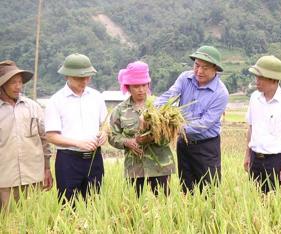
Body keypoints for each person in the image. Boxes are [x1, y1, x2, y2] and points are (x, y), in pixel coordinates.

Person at [155, 45, 229, 194]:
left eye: (205, 68)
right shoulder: (185, 78)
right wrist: (154, 111)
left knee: (209, 190)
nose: (199, 71)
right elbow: (170, 96)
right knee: (186, 189)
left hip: (206, 147)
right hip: (184, 145)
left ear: (215, 69)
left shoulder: (221, 93)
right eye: (196, 65)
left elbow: (204, 124)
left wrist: (174, 128)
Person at [44, 53, 107, 203]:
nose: (85, 81)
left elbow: (105, 124)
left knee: (95, 204)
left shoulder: (97, 97)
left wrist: (104, 133)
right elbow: (51, 136)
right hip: (68, 160)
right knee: (67, 204)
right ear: (67, 76)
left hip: (94, 159)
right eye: (79, 78)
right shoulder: (56, 101)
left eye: (87, 77)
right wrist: (78, 143)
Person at [108, 61, 176, 197]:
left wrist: (152, 137)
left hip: (160, 166)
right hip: (134, 167)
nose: (141, 89)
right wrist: (128, 142)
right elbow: (112, 136)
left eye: (144, 85)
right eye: (136, 86)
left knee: (163, 206)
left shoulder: (160, 107)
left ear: (148, 85)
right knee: (134, 206)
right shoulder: (120, 110)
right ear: (128, 87)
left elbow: (170, 134)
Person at [243, 55, 281, 193]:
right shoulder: (254, 98)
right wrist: (247, 156)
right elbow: (251, 128)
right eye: (256, 77)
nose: (256, 81)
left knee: (275, 202)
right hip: (255, 158)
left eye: (260, 77)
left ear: (273, 79)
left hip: (276, 161)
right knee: (255, 200)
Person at [0, 60, 52, 210]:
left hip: (33, 177)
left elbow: (44, 140)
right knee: (7, 222)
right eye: (13, 83)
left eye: (20, 82)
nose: (18, 87)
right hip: (5, 180)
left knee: (33, 220)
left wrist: (47, 168)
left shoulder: (33, 107)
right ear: (2, 85)